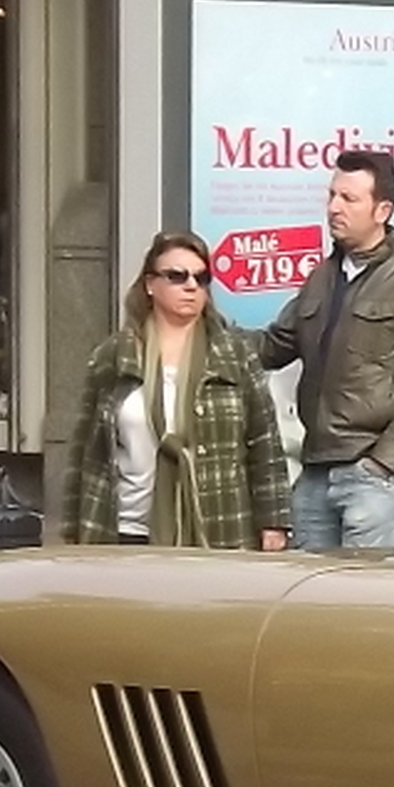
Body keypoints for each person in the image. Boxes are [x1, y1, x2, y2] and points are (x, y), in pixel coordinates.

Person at [260, 150, 394, 550]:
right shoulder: (321, 277)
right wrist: (203, 331)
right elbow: (274, 346)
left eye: (348, 199)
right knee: (306, 602)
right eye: (332, 195)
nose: (334, 207)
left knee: (361, 599)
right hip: (315, 470)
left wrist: (384, 460)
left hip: (374, 475)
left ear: (382, 209)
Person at [61, 230, 288, 551]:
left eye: (201, 277)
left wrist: (273, 523)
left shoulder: (234, 354)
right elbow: (85, 448)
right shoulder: (113, 356)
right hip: (127, 528)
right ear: (150, 284)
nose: (191, 286)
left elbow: (264, 442)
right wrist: (72, 527)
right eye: (177, 276)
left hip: (217, 529)